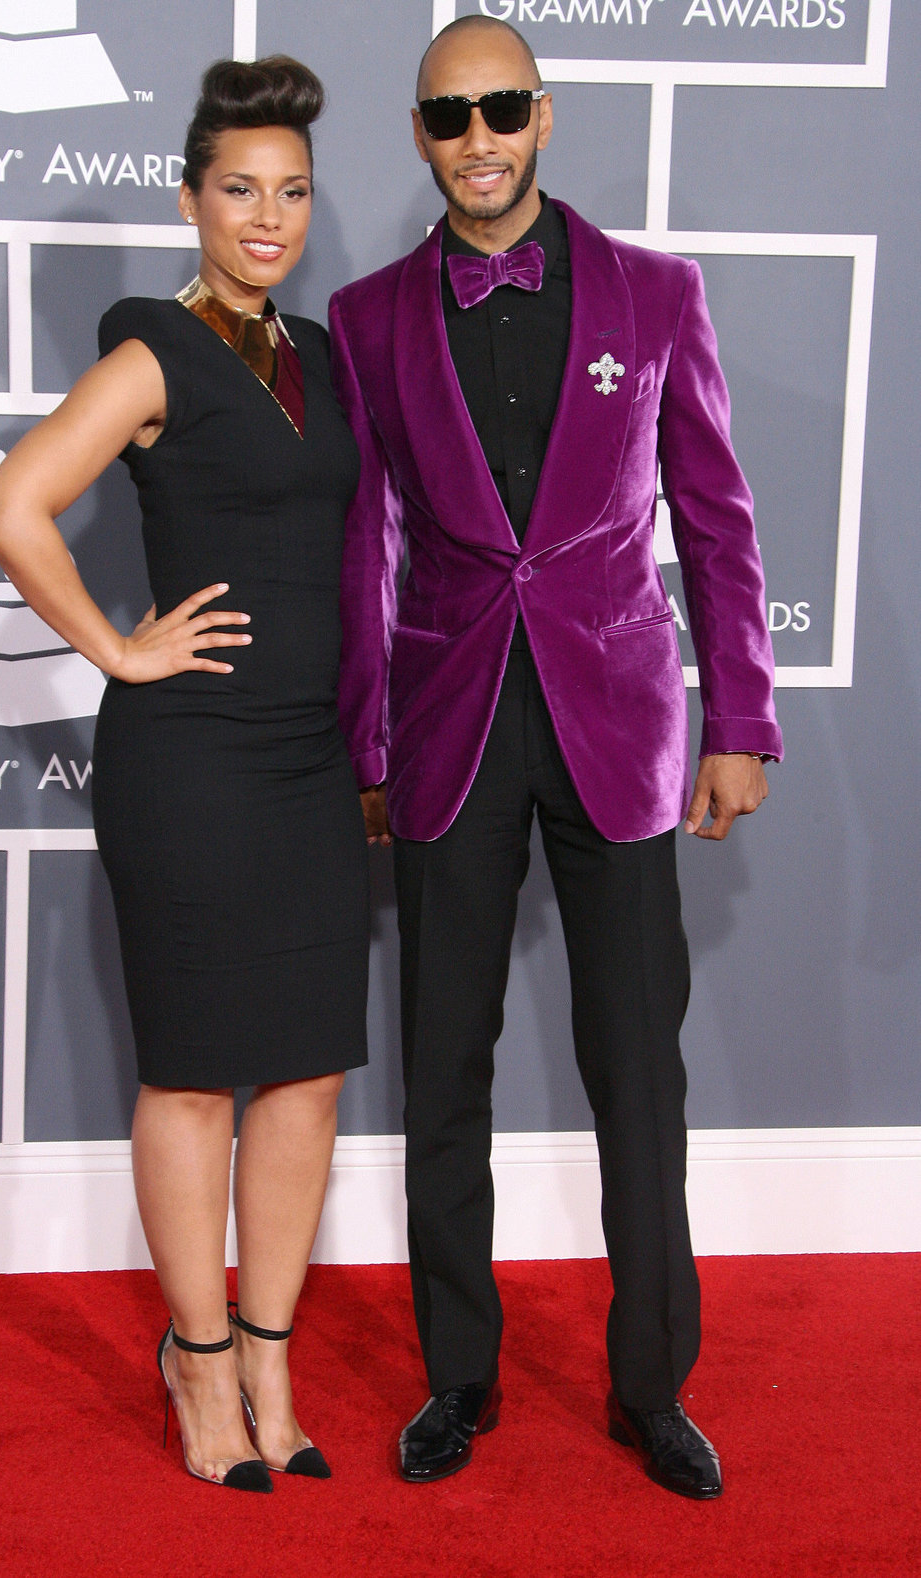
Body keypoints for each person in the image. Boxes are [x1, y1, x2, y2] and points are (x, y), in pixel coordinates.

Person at [330, 16, 783, 1499]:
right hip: (450, 721)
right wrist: (367, 736)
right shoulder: (369, 315)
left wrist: (741, 721)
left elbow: (717, 521)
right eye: (451, 114)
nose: (480, 136)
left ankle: (653, 1381)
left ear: (544, 115)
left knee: (637, 1070)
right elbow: (368, 544)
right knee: (442, 1063)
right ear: (419, 135)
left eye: (503, 106)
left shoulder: (656, 294)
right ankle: (459, 1373)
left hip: (622, 723)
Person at [0, 56, 368, 1493]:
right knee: (198, 1073)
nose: (268, 218)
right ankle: (198, 1360)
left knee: (309, 1077)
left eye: (292, 193)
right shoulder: (154, 348)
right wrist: (116, 651)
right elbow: (12, 504)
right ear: (192, 198)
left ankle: (272, 1345)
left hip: (311, 760)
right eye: (239, 191)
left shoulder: (325, 356)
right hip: (190, 765)